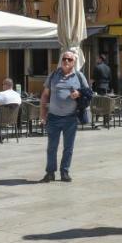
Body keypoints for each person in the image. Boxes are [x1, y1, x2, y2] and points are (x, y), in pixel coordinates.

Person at [40, 51, 91, 183]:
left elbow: (89, 93)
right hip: (53, 117)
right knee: (52, 147)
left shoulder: (79, 76)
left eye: (69, 59)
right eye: (64, 58)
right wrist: (42, 115)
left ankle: (65, 171)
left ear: (74, 62)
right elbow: (45, 95)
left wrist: (79, 93)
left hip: (70, 117)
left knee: (68, 147)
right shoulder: (53, 75)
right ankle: (50, 172)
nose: (66, 61)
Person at [0, 78, 23, 143]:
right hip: (13, 119)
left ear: (7, 85)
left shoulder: (1, 94)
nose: (2, 86)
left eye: (3, 84)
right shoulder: (18, 95)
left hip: (0, 119)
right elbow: (19, 105)